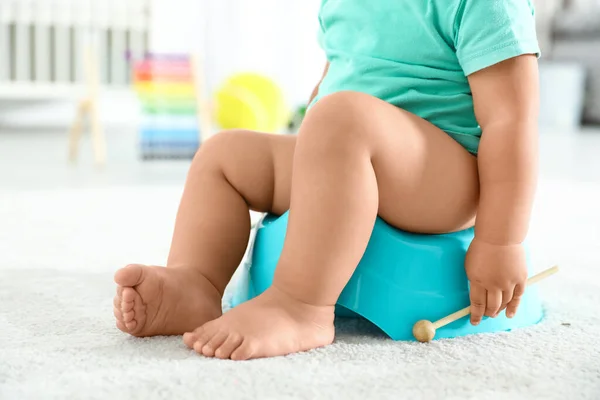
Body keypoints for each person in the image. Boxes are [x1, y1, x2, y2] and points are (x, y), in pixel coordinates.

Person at [113, 0, 540, 360]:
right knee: (224, 154)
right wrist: (316, 167)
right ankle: (196, 283)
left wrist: (501, 241)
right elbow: (342, 72)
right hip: (347, 149)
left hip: (443, 179)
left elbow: (511, 123)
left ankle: (299, 305)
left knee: (340, 117)